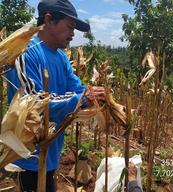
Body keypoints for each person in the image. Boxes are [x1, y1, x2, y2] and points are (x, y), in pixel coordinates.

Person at [6, 0, 104, 191]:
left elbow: (77, 89)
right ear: (49, 20)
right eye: (70, 27)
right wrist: (83, 99)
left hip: (50, 154)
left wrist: (91, 93)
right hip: (28, 158)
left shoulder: (61, 58)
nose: (73, 34)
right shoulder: (26, 53)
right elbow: (34, 106)